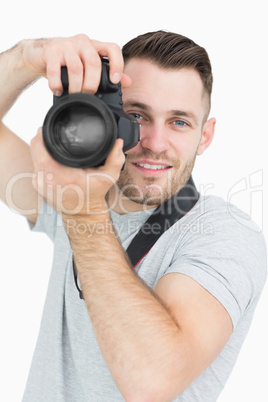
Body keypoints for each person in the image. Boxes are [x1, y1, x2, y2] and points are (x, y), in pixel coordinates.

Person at [0, 31, 266, 402]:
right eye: (136, 115)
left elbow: (152, 381)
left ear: (205, 136)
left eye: (179, 122)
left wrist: (82, 210)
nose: (155, 143)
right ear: (108, 118)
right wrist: (26, 59)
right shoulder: (75, 191)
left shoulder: (226, 234)